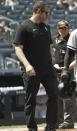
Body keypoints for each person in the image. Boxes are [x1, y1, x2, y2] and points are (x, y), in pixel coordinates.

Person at [13, 1, 58, 131]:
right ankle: (32, 127)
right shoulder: (24, 27)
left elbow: (49, 47)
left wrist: (53, 63)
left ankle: (51, 126)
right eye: (46, 12)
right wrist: (27, 66)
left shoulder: (46, 27)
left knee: (54, 94)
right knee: (30, 99)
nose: (48, 15)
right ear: (38, 10)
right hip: (31, 69)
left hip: (47, 68)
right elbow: (18, 49)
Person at [51, 20, 77, 129]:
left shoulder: (73, 39)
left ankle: (69, 121)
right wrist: (54, 65)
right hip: (56, 70)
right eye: (61, 28)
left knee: (68, 96)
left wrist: (69, 67)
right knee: (57, 96)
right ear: (58, 29)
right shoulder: (54, 40)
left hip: (69, 71)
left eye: (65, 28)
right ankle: (58, 121)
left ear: (68, 28)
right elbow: (51, 55)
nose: (63, 30)